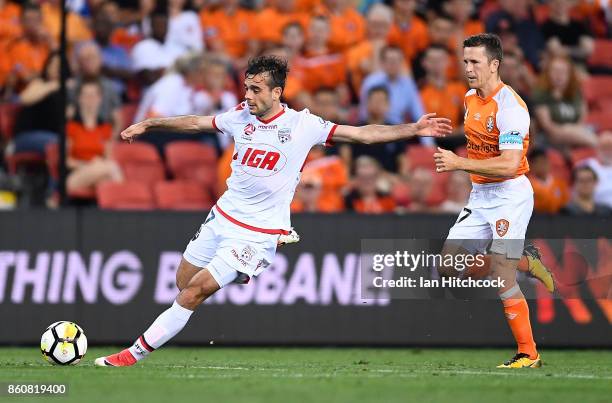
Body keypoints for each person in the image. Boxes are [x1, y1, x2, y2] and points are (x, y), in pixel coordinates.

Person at [94, 55, 451, 367]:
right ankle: (238, 273)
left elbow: (362, 135)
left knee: (194, 292)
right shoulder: (239, 117)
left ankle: (132, 354)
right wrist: (150, 123)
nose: (247, 95)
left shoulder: (303, 125)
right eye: (247, 88)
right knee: (183, 282)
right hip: (222, 216)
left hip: (260, 231)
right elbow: (195, 122)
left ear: (277, 93)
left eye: (256, 90)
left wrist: (413, 129)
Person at [433, 34, 554, 368]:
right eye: (465, 61)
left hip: (510, 194)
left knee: (502, 276)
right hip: (481, 195)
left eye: (475, 62)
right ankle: (527, 262)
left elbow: (510, 163)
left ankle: (528, 353)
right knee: (447, 265)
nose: (468, 68)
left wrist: (458, 163)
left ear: (494, 64)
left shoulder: (511, 108)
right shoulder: (470, 97)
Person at [532, 55, 597, 148]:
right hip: (550, 137)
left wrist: (574, 130)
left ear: (569, 75)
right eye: (555, 71)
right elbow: (548, 126)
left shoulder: (576, 92)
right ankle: (599, 145)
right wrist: (569, 131)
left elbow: (583, 116)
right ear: (548, 73)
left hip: (578, 133)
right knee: (569, 130)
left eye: (563, 72)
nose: (559, 75)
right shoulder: (540, 93)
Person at [527, 147, 570, 214]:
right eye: (538, 162)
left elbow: (566, 204)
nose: (542, 165)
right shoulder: (527, 185)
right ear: (532, 165)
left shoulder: (560, 183)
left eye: (544, 161)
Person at [584, 132, 612, 208]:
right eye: (605, 147)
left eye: (610, 147)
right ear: (597, 148)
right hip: (597, 212)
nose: (608, 151)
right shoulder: (587, 166)